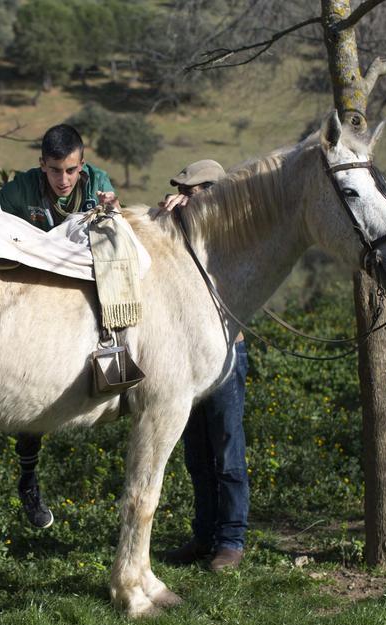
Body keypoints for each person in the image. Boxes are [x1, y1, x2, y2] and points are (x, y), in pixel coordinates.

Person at [0, 123, 119, 529]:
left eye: (69, 170)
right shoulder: (25, 188)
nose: (62, 180)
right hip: (37, 287)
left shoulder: (97, 183)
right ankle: (28, 478)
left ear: (82, 165)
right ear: (41, 166)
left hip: (80, 285)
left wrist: (110, 208)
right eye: (53, 170)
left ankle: (115, 352)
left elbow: (110, 230)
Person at [159, 160, 250, 572]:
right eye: (184, 190)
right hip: (191, 355)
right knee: (197, 453)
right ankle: (204, 535)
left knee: (227, 451)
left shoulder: (231, 237)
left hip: (226, 353)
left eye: (193, 191)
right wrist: (168, 220)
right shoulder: (185, 228)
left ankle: (230, 539)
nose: (186, 195)